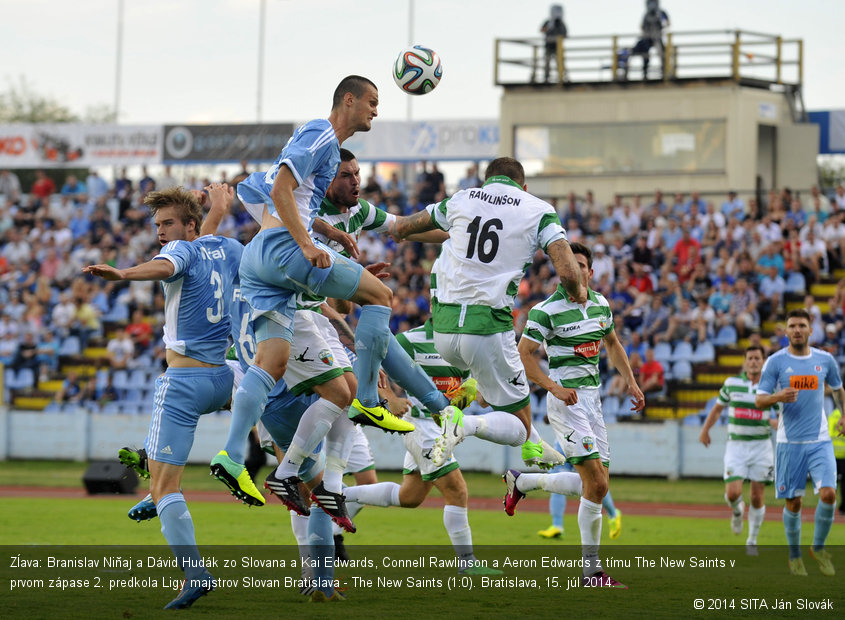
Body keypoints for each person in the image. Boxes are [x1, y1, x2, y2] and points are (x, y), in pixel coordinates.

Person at [210, 75, 417, 507]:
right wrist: (307, 243)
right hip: (284, 251)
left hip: (260, 262)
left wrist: (327, 232)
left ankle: (232, 455)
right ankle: (367, 399)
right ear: (348, 99)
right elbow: (282, 189)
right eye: (372, 102)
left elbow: (274, 191)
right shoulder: (320, 133)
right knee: (380, 296)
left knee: (271, 364)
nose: (376, 111)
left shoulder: (315, 144)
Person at [84, 183, 243, 610]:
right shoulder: (226, 249)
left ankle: (195, 574)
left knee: (165, 484)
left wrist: (123, 274)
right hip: (225, 378)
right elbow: (205, 239)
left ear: (189, 225)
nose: (160, 231)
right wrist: (220, 209)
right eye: (157, 225)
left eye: (168, 223)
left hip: (184, 382)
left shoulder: (181, 251)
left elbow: (165, 264)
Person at [391, 157, 585, 469]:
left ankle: (531, 443)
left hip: (443, 330)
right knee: (519, 423)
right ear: (523, 187)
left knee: (490, 387)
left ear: (486, 180)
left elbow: (404, 227)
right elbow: (567, 271)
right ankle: (466, 425)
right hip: (486, 327)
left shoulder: (463, 199)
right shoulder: (537, 209)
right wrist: (579, 294)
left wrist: (384, 225)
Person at [510, 242, 644, 588]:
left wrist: (630, 381)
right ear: (561, 270)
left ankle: (523, 481)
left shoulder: (601, 304)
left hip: (593, 400)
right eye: (569, 264)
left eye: (581, 264)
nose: (575, 270)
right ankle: (591, 573)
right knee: (597, 483)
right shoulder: (546, 311)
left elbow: (612, 343)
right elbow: (524, 353)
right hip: (565, 403)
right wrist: (553, 387)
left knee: (597, 487)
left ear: (590, 271)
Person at [343, 318, 501, 576]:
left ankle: (339, 494)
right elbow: (365, 363)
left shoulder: (460, 345)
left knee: (410, 497)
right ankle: (467, 562)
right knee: (457, 490)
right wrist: (391, 398)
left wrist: (477, 394)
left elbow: (462, 391)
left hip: (441, 429)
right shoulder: (409, 340)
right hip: (421, 428)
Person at [755, 308, 844, 577]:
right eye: (791, 325)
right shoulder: (775, 362)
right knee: (793, 503)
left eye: (801, 325)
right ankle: (794, 556)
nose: (796, 330)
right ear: (785, 330)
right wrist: (778, 397)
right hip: (789, 442)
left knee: (829, 494)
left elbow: (838, 388)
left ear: (810, 329)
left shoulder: (825, 360)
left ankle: (818, 548)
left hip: (819, 440)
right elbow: (759, 400)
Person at [699, 346, 779, 555]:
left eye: (757, 358)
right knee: (733, 492)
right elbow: (717, 409)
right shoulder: (732, 384)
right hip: (736, 446)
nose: (753, 361)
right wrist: (705, 430)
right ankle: (737, 511)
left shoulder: (770, 387)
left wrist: (776, 423)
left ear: (763, 361)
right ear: (745, 362)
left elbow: (782, 417)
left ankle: (752, 540)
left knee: (756, 496)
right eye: (750, 358)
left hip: (762, 447)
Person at [538, 445, 623, 541]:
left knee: (594, 484)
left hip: (581, 443)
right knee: (555, 481)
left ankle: (613, 515)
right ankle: (557, 526)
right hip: (561, 445)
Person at [639, 0, 669, 78]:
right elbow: (642, 26)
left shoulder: (661, 13)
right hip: (648, 37)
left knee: (662, 54)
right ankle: (645, 73)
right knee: (645, 53)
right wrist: (646, 33)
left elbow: (667, 23)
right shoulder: (646, 14)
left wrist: (662, 28)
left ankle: (664, 72)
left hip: (657, 37)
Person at [539, 4, 567, 83]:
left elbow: (565, 34)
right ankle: (546, 78)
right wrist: (549, 27)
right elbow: (542, 30)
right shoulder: (548, 22)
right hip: (548, 46)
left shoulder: (561, 24)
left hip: (558, 47)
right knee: (547, 63)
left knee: (560, 63)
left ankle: (562, 78)